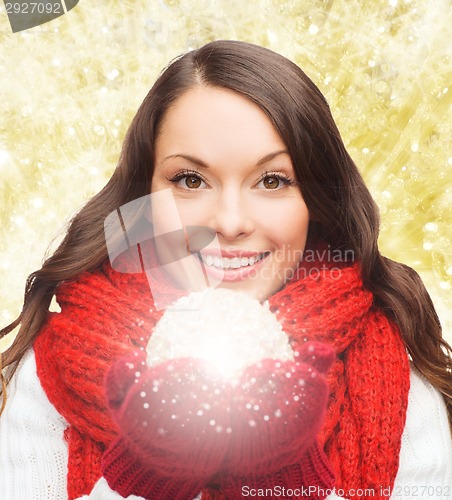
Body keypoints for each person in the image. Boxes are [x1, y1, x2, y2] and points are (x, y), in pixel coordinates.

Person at [0, 40, 451, 500]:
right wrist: (152, 470)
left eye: (272, 181)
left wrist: (282, 472)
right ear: (143, 202)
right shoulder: (44, 375)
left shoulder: (404, 381)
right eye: (190, 180)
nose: (230, 223)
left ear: (317, 204)